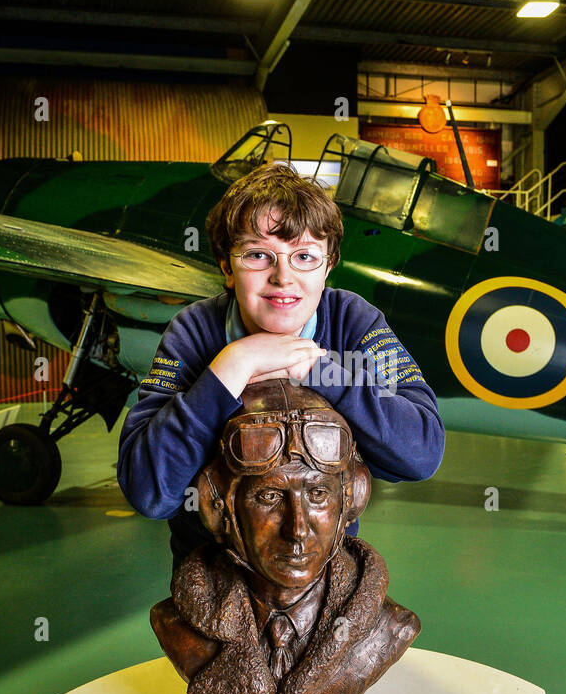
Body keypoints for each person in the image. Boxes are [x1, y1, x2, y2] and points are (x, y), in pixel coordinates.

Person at [117, 162, 444, 569]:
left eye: (304, 256)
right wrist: (232, 366)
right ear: (226, 266)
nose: (283, 277)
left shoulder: (354, 322)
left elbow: (422, 453)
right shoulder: (193, 331)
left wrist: (319, 371)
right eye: (257, 255)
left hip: (321, 580)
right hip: (215, 581)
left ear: (328, 266)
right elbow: (149, 491)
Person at [150, 380, 420, 694]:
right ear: (221, 508)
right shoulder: (175, 622)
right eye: (269, 496)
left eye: (318, 494)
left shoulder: (390, 627)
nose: (297, 529)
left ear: (350, 501)